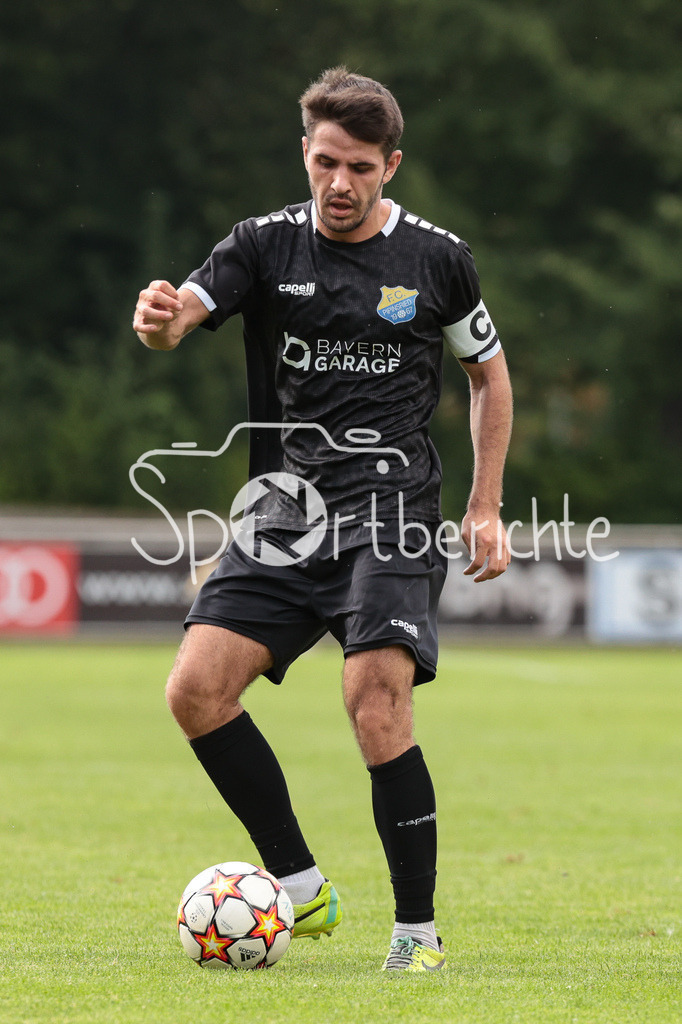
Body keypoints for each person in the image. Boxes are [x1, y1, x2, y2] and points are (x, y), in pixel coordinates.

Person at [133, 66, 512, 972]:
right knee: (193, 691)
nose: (339, 184)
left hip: (393, 509)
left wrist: (485, 505)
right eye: (324, 162)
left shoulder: (435, 260)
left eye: (360, 168)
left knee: (373, 700)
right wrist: (160, 321)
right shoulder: (262, 246)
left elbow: (489, 377)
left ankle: (417, 935)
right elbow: (183, 312)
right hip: (285, 512)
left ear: (391, 167)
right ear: (305, 154)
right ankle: (300, 890)